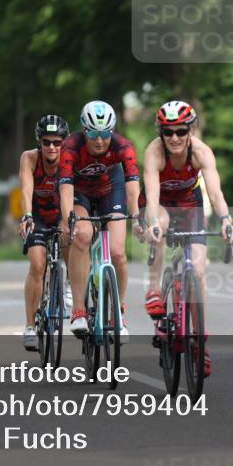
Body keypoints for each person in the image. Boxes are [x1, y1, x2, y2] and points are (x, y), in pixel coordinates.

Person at [134, 100, 233, 377]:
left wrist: (226, 220)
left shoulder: (202, 152)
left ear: (190, 131)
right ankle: (154, 290)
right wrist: (152, 223)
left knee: (200, 271)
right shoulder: (154, 153)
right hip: (161, 203)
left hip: (190, 204)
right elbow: (152, 197)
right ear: (161, 134)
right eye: (168, 132)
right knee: (162, 223)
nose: (175, 138)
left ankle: (199, 342)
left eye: (181, 131)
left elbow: (215, 194)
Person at [59, 100, 140, 341]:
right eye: (93, 133)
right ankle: (78, 310)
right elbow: (64, 188)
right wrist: (67, 219)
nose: (99, 140)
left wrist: (135, 214)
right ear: (84, 130)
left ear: (112, 131)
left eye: (105, 134)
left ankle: (118, 313)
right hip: (80, 192)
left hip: (110, 190)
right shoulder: (70, 147)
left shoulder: (123, 146)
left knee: (118, 253)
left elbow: (133, 185)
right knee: (82, 235)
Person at [18, 114, 70, 351]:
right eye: (47, 141)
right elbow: (26, 189)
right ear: (39, 141)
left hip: (61, 215)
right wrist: (27, 216)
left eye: (57, 142)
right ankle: (30, 325)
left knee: (75, 238)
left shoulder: (71, 160)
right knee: (38, 266)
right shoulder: (29, 158)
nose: (52, 147)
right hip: (38, 216)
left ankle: (68, 285)